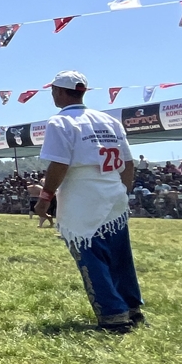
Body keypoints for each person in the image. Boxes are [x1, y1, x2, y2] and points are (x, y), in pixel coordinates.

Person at [34, 71, 143, 332]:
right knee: (119, 256)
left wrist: (45, 198)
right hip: (112, 192)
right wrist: (122, 193)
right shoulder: (109, 120)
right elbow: (128, 163)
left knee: (90, 255)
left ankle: (113, 315)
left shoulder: (60, 123)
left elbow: (59, 163)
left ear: (59, 92)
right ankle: (132, 308)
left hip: (82, 195)